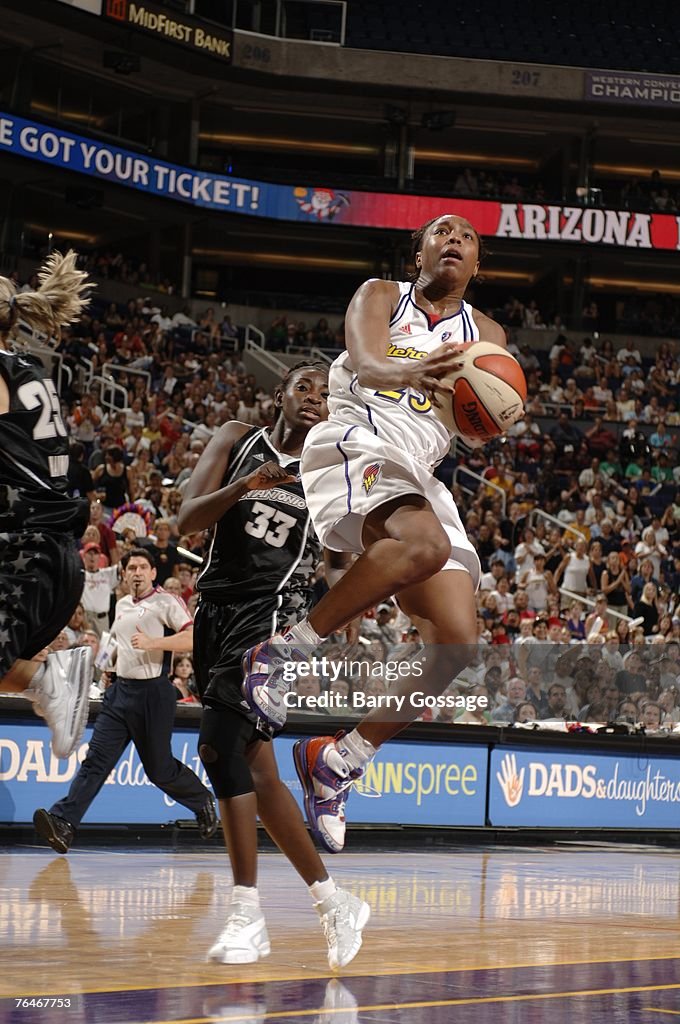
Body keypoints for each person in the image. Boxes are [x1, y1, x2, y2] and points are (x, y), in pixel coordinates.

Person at [241, 213, 506, 853]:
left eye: (467, 238)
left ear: (477, 267)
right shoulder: (382, 294)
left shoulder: (488, 335)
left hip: (420, 470)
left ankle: (339, 760)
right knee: (426, 545)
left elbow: (483, 420)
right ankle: (280, 655)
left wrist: (489, 408)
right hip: (356, 438)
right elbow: (362, 364)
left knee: (457, 646)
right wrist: (412, 373)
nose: (454, 241)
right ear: (419, 251)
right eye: (441, 232)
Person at [178, 362, 370, 968]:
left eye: (323, 391)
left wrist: (344, 618)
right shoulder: (236, 437)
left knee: (217, 750)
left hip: (270, 623)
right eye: (302, 387)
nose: (314, 397)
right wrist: (246, 485)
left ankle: (245, 914)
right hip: (213, 609)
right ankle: (334, 901)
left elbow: (340, 563)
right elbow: (186, 519)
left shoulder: (330, 476)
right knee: (259, 776)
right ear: (279, 396)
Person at [33, 548, 217, 853]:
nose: (137, 572)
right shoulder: (120, 604)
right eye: (132, 567)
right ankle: (63, 823)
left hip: (153, 693)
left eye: (143, 567)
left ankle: (201, 800)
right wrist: (108, 665)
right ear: (124, 574)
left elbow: (192, 638)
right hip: (119, 693)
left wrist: (152, 643)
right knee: (95, 762)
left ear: (153, 573)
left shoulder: (166, 602)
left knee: (159, 769)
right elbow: (115, 644)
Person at [0, 251, 94, 758]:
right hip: (52, 553)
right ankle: (44, 683)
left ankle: (49, 679)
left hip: (22, 551)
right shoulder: (28, 370)